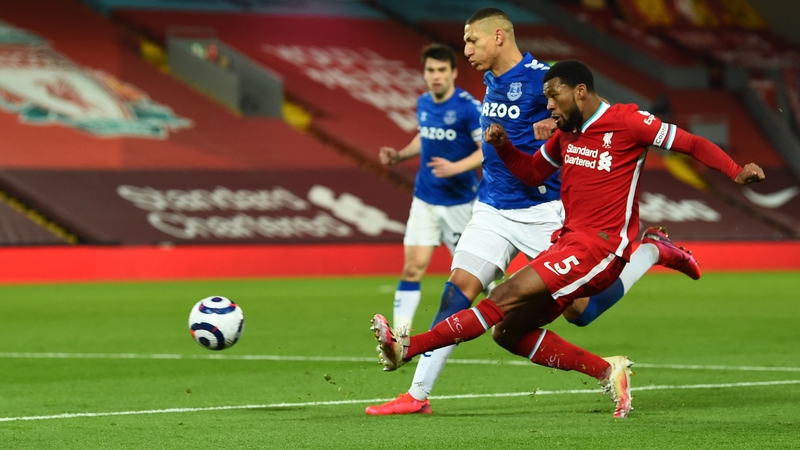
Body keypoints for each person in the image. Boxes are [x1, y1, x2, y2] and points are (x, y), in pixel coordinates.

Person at [371, 58, 765, 419]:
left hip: (601, 248)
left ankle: (409, 347)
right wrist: (504, 147)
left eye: (553, 96)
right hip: (567, 242)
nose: (549, 107)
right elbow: (531, 174)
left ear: (579, 90)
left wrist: (735, 171)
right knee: (507, 332)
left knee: (502, 298)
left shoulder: (630, 122)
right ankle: (608, 370)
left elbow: (690, 143)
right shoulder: (565, 136)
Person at [378, 43, 483, 333]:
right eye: (430, 70)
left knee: (481, 277)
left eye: (441, 70)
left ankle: (513, 322)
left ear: (453, 73)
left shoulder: (468, 108)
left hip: (460, 203)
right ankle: (399, 340)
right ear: (424, 73)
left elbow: (486, 149)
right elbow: (424, 137)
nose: (435, 76)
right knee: (413, 267)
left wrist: (456, 167)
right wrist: (400, 155)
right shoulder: (424, 103)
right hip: (425, 199)